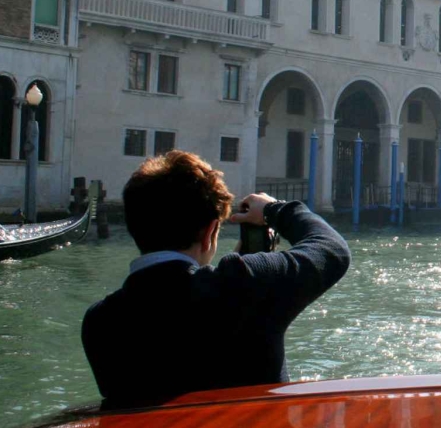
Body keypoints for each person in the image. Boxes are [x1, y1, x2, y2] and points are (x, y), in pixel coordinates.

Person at [81, 150, 350, 409]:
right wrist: (275, 210)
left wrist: (247, 261)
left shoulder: (99, 322)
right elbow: (331, 249)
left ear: (134, 226)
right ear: (211, 232)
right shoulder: (246, 284)